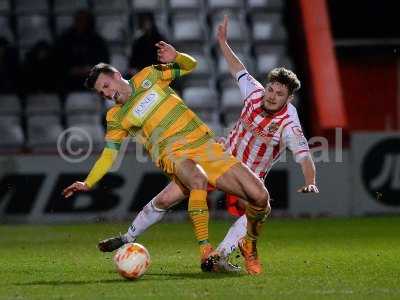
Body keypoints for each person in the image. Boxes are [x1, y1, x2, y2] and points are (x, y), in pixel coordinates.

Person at [97, 16, 319, 273]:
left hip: (251, 173)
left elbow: (304, 155)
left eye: (279, 94)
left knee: (260, 206)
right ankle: (128, 237)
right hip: (219, 158)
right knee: (167, 198)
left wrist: (311, 180)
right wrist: (223, 42)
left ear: (289, 98)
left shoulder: (289, 122)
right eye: (271, 89)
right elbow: (238, 68)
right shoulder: (255, 93)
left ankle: (222, 254)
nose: (271, 96)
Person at [62, 40, 270, 275]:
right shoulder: (116, 116)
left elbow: (190, 65)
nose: (108, 94)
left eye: (107, 85)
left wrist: (177, 55)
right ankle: (206, 251)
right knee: (197, 181)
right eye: (103, 93)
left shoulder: (149, 76)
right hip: (172, 152)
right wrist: (88, 182)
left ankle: (244, 244)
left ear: (117, 74)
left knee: (260, 198)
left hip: (205, 146)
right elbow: (109, 154)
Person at [54, 9, 109, 91]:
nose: (81, 23)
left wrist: (90, 69)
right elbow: (59, 61)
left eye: (84, 20)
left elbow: (104, 62)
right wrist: (73, 70)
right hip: (70, 81)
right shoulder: (65, 40)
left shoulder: (97, 40)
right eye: (78, 20)